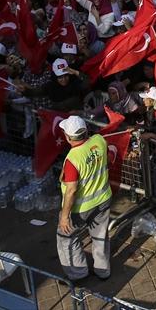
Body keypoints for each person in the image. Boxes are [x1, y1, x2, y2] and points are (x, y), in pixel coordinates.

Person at [56, 115, 113, 282]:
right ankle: (103, 271)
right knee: (100, 236)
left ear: (68, 137)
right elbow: (107, 159)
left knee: (67, 238)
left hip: (80, 208)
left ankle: (78, 274)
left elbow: (71, 190)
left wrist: (64, 216)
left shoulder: (72, 159)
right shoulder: (99, 140)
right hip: (103, 199)